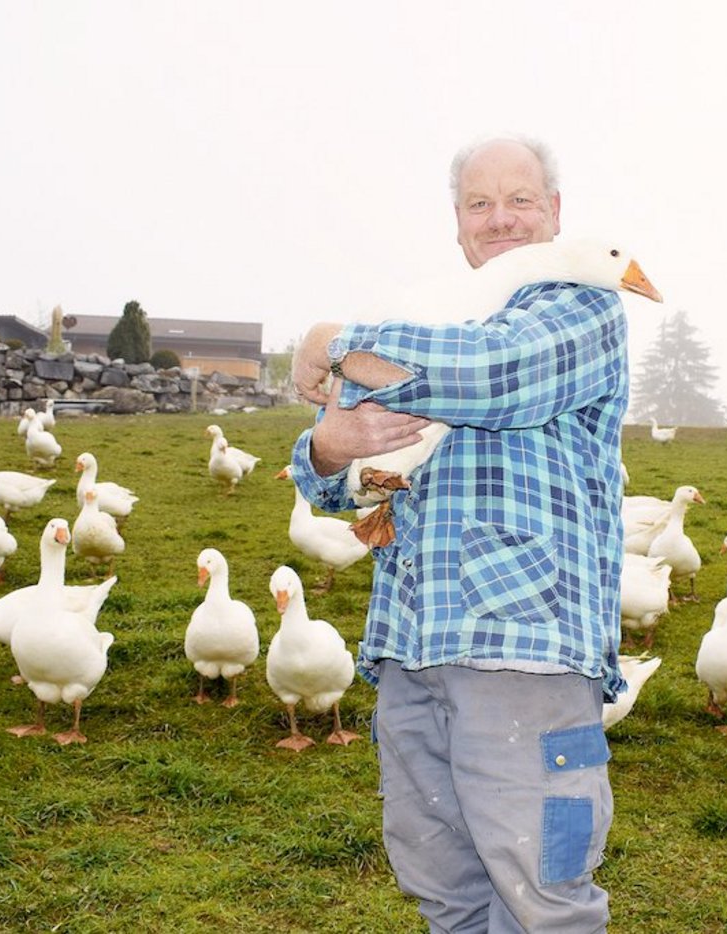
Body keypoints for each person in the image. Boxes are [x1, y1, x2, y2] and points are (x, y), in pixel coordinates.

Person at [289, 135, 628, 933]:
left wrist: (335, 343)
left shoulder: (581, 308)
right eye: (480, 203)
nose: (500, 218)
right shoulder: (432, 324)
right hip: (411, 651)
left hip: (527, 651)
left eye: (520, 199)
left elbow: (491, 371)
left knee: (543, 900)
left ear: (554, 212)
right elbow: (334, 478)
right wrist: (328, 448)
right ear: (458, 223)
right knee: (443, 888)